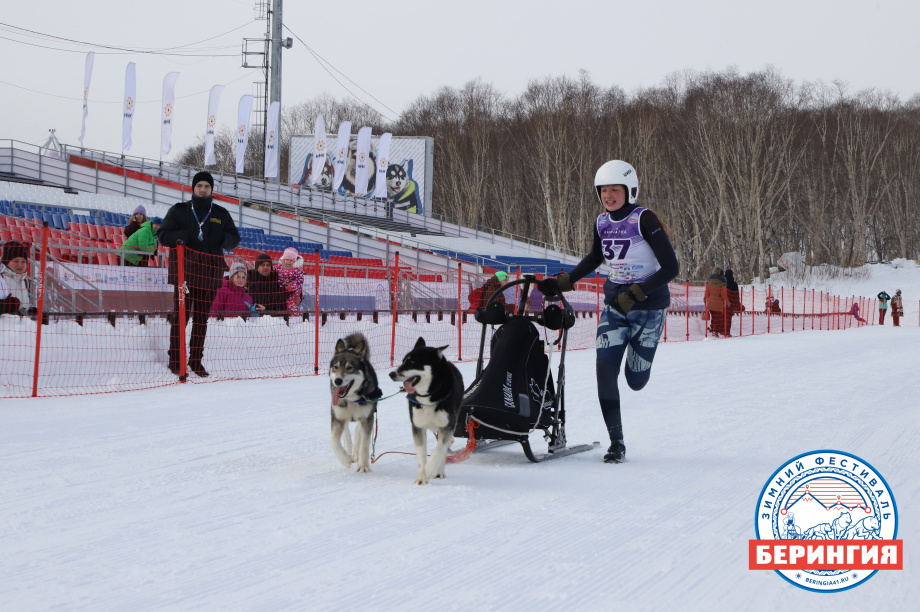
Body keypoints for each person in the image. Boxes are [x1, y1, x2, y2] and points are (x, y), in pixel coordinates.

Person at [537, 160, 679, 464]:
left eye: (615, 189)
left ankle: (639, 364)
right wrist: (563, 283)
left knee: (635, 380)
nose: (609, 195)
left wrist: (637, 293)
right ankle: (617, 443)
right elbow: (594, 258)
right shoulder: (602, 221)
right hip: (615, 308)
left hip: (649, 310)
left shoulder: (645, 219)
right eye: (603, 190)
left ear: (630, 190)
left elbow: (671, 268)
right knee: (604, 371)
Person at [157, 171, 240, 378]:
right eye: (199, 186)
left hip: (210, 273)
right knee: (181, 318)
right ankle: (175, 359)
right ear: (193, 188)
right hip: (185, 273)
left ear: (212, 190)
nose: (203, 189)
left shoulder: (220, 214)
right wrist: (185, 236)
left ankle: (196, 360)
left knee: (202, 320)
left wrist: (224, 240)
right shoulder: (179, 211)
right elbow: (163, 236)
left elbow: (234, 238)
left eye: (207, 186)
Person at [1, 240, 33, 314]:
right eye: (15, 261)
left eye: (23, 262)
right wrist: (5, 307)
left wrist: (29, 310)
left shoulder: (24, 281)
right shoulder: (1, 278)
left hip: (22, 324)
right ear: (7, 262)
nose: (20, 265)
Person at [275, 247, 305, 313]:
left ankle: (294, 314)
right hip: (281, 289)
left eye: (291, 260)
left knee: (290, 302)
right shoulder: (279, 267)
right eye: (287, 260)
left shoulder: (297, 269)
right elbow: (273, 271)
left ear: (294, 260)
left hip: (293, 291)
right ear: (283, 259)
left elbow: (299, 280)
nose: (289, 262)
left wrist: (292, 286)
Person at [705, 267, 728, 336]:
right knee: (718, 318)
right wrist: (727, 302)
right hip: (718, 304)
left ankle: (712, 328)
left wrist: (705, 301)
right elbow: (723, 295)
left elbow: (706, 294)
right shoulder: (722, 283)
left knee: (714, 317)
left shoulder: (709, 283)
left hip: (710, 303)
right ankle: (716, 331)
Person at [724, 268, 742, 334]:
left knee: (721, 317)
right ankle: (727, 331)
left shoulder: (723, 282)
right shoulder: (734, 283)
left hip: (722, 302)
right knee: (728, 318)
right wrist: (737, 303)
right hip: (730, 303)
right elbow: (736, 295)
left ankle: (720, 330)